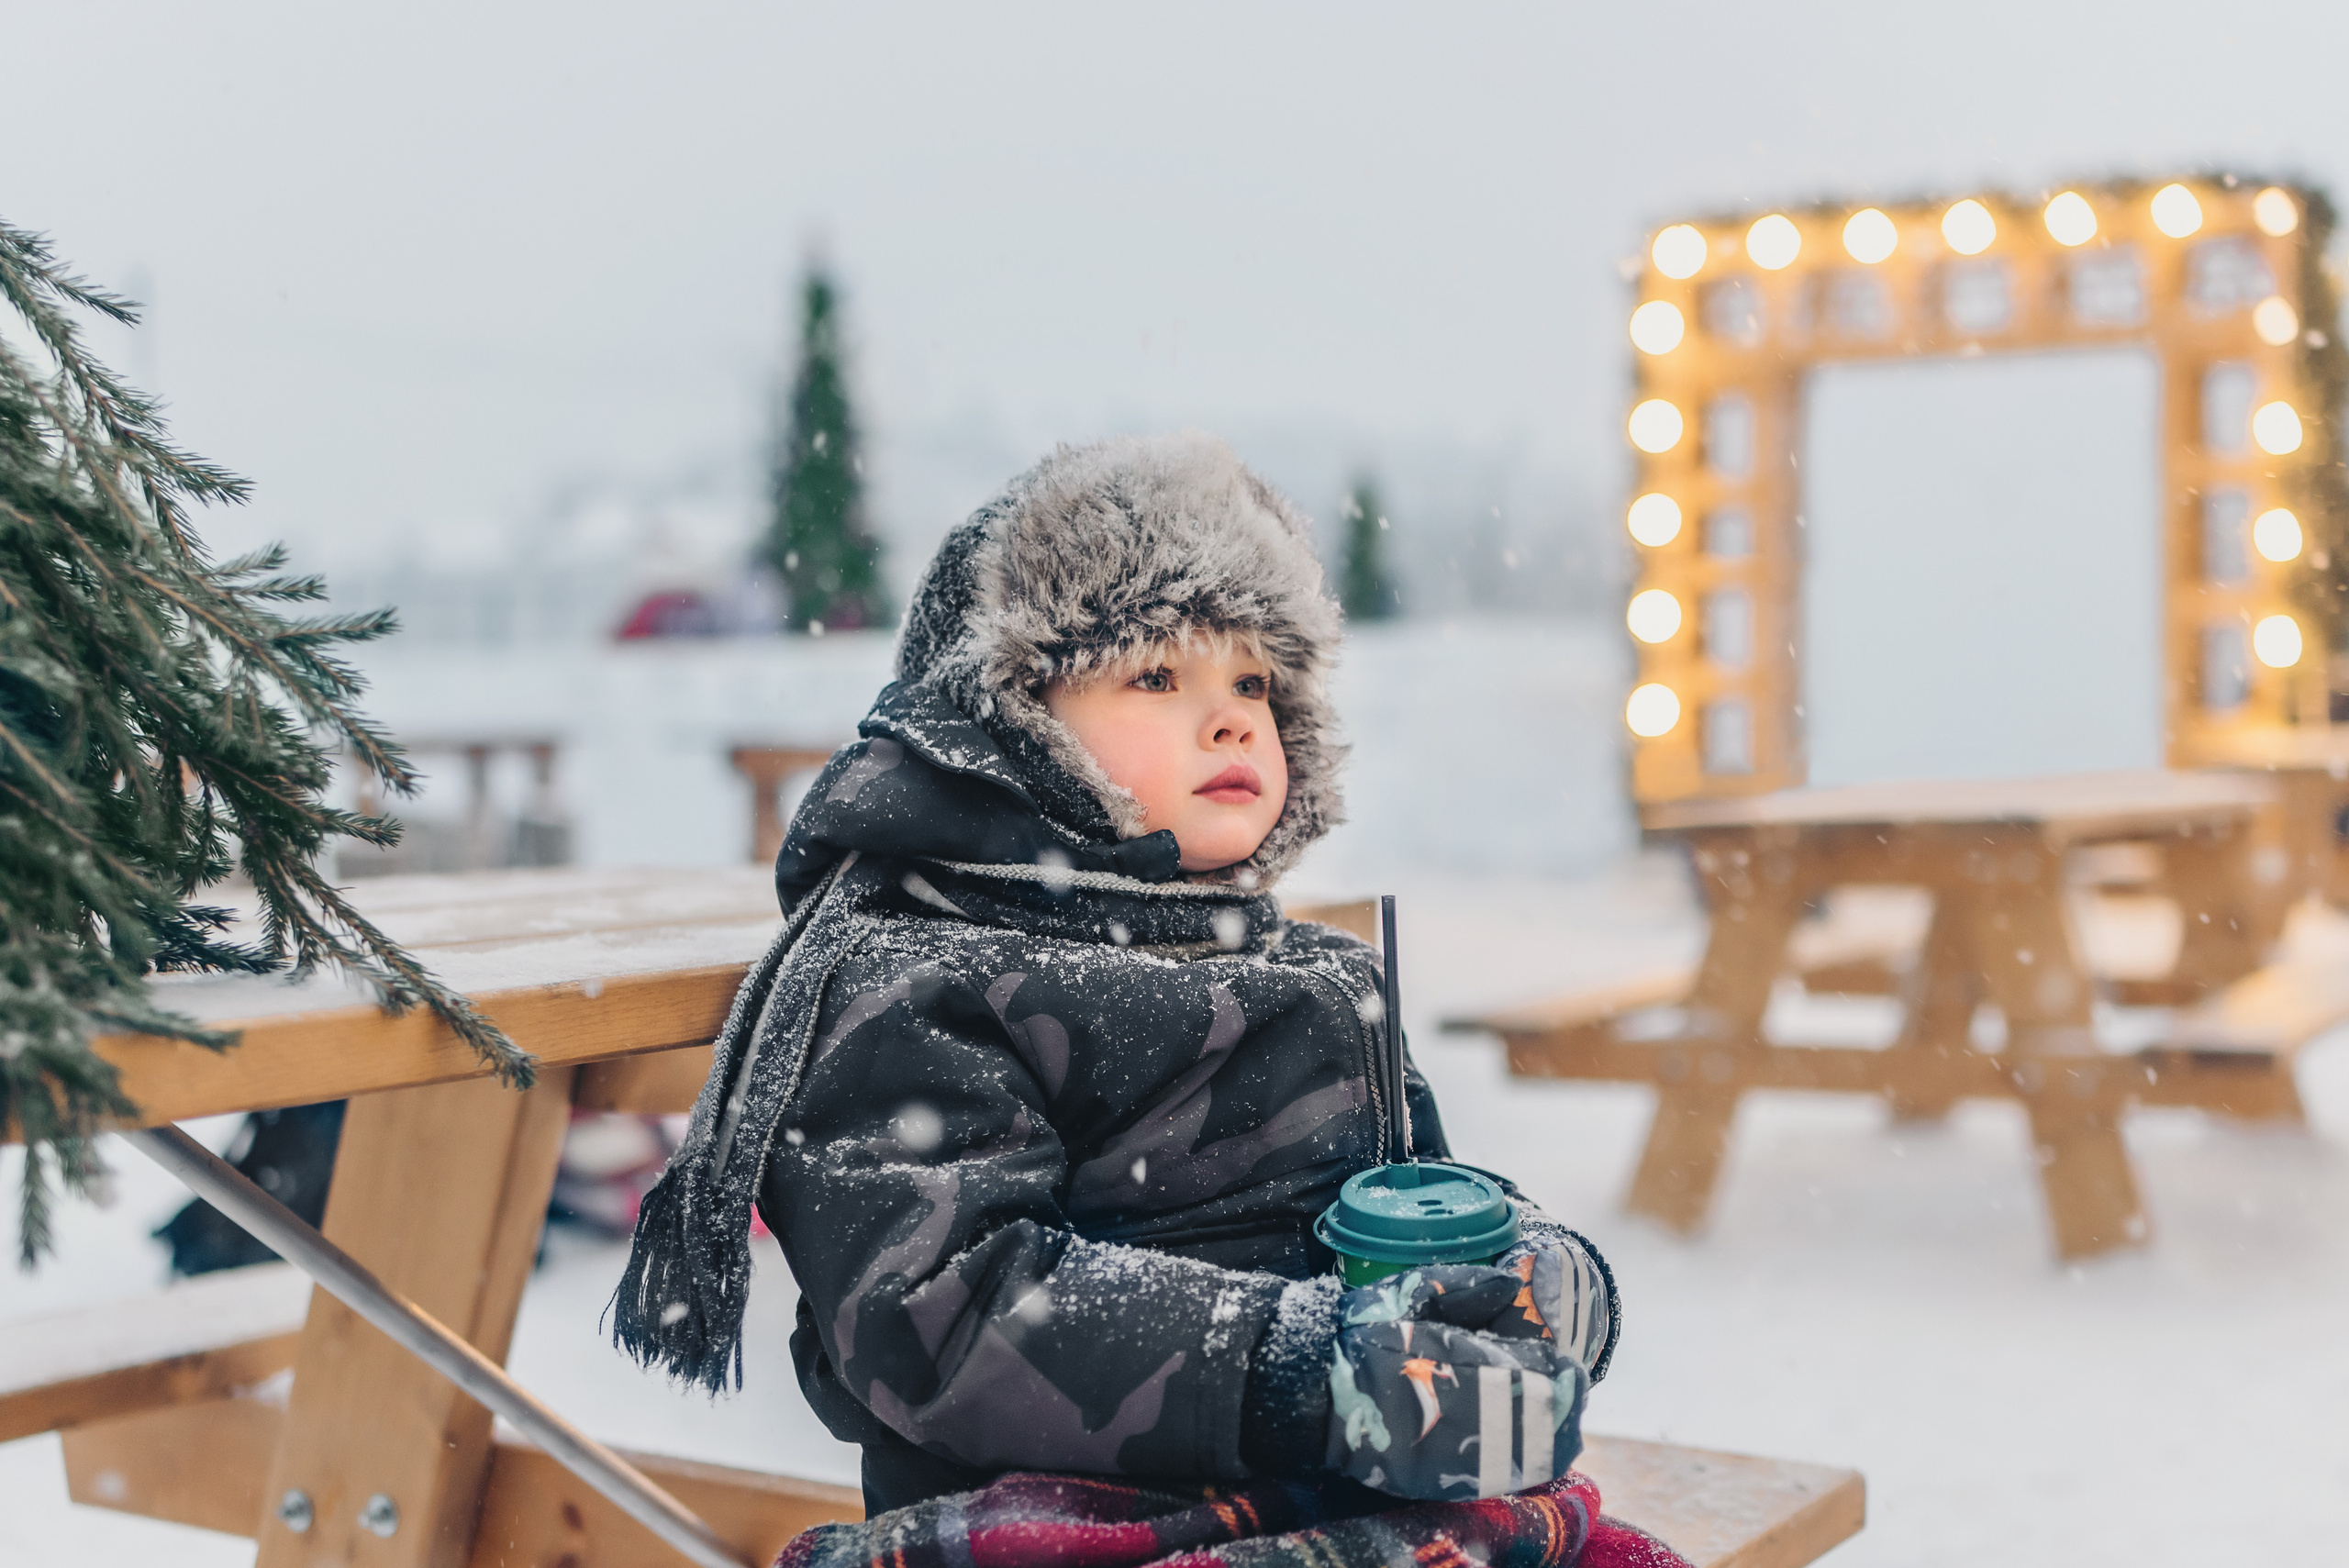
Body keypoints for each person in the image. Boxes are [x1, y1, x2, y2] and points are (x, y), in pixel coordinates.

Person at [614, 431, 1620, 1518]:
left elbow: (1405, 1201)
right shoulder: (924, 975)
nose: (1234, 712)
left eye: (1252, 677)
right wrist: (1297, 1368)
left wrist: (1521, 1276)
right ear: (1013, 726)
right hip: (1073, 1523)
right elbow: (941, 1313)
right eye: (1156, 672)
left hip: (1342, 1503)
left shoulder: (1322, 974)